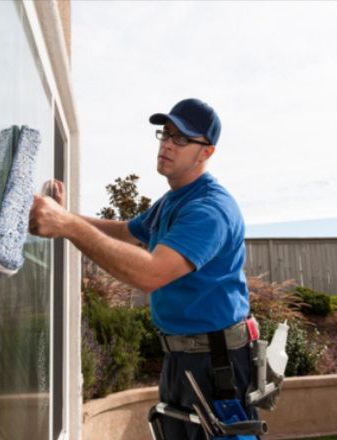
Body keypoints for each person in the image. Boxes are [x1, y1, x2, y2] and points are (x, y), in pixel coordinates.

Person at [29, 98, 258, 440]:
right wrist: (67, 216)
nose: (167, 143)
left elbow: (151, 274)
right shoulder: (171, 201)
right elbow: (125, 231)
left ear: (206, 152)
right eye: (166, 133)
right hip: (183, 358)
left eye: (182, 138)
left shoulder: (209, 209)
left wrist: (67, 226)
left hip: (216, 365)